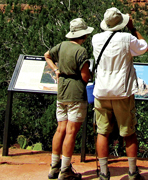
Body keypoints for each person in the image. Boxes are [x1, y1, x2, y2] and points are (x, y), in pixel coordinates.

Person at [92, 7, 148, 180]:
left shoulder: (95, 39)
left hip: (101, 92)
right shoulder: (127, 38)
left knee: (102, 132)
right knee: (129, 132)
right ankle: (132, 172)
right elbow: (145, 47)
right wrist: (132, 28)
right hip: (123, 93)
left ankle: (103, 172)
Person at [44, 18, 94, 180]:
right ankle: (65, 170)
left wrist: (56, 70)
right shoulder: (81, 51)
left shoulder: (61, 46)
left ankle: (54, 167)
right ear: (84, 34)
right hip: (76, 94)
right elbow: (85, 77)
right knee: (71, 132)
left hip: (62, 93)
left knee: (60, 129)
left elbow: (47, 55)